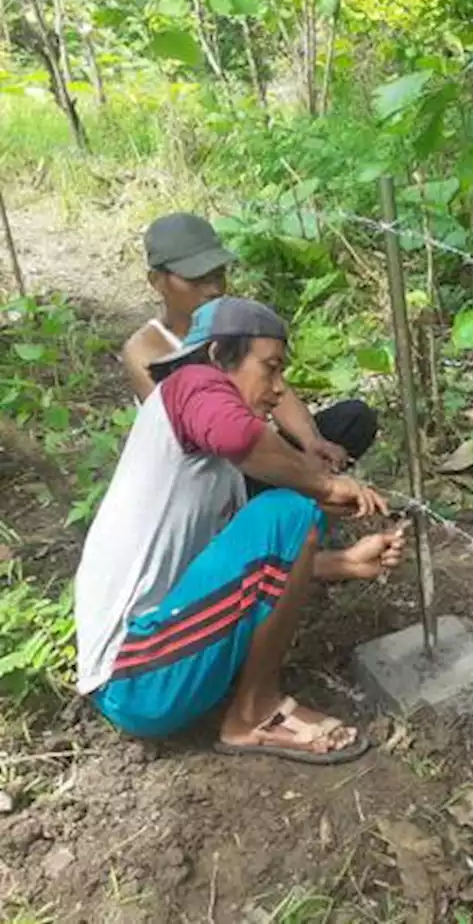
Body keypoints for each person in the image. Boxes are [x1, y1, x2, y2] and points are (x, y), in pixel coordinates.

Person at [75, 296, 405, 764]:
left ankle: (247, 702)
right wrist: (326, 483)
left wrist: (344, 563)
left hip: (154, 663)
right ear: (216, 358)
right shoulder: (187, 386)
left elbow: (243, 572)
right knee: (288, 511)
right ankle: (254, 713)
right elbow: (239, 438)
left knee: (284, 516)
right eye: (269, 369)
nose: (277, 389)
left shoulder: (214, 471)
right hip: (136, 680)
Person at [121, 212, 377, 488]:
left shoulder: (232, 320)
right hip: (211, 474)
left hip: (254, 449)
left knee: (352, 419)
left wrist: (312, 442)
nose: (214, 289)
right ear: (157, 281)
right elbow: (215, 430)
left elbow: (275, 387)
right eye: (197, 280)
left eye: (218, 275)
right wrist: (303, 469)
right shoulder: (144, 351)